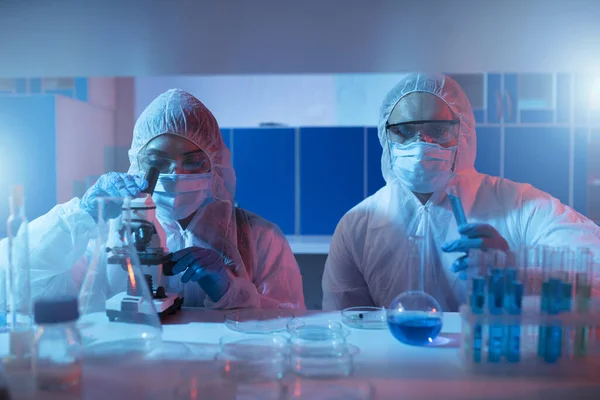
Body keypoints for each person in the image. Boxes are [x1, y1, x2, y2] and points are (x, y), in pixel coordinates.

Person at [2, 89, 306, 310]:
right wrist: (81, 215)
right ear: (137, 164)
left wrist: (234, 292)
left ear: (215, 166)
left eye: (192, 160)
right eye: (157, 162)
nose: (176, 173)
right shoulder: (104, 233)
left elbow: (292, 327)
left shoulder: (259, 240)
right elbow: (13, 281)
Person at [322, 73, 600, 312]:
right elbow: (345, 324)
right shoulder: (358, 225)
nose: (421, 144)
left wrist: (518, 270)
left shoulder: (520, 205)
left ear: (464, 132)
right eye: (404, 131)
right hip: (395, 372)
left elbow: (592, 268)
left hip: (495, 366)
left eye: (438, 129)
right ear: (386, 137)